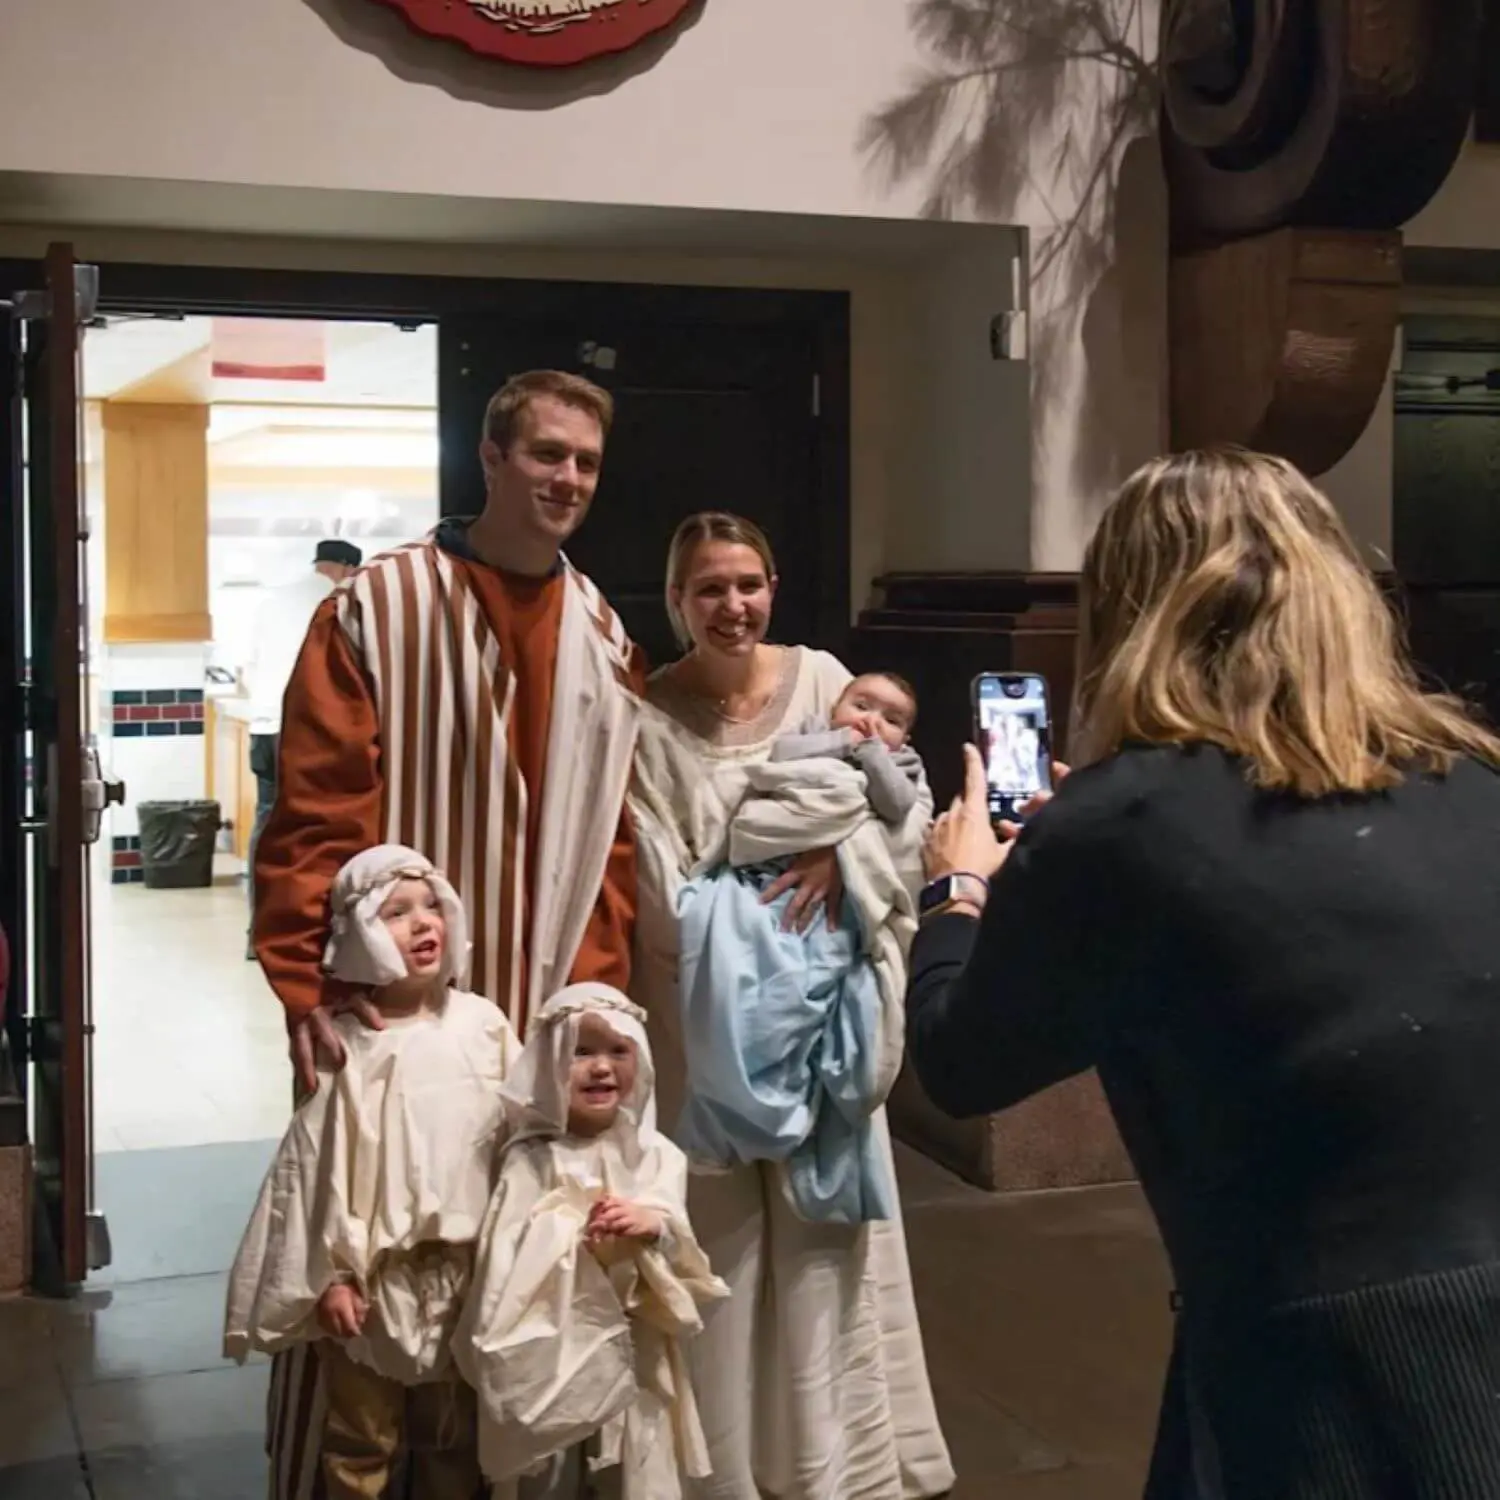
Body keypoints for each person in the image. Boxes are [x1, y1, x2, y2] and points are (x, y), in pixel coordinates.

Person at [907, 447, 1500, 1499]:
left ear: (1131, 609)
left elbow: (963, 1061)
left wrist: (959, 888)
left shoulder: (1121, 820)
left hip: (1327, 1358)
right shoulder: (1473, 780)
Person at [253, 369, 645, 1500]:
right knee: (365, 1284)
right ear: (492, 455)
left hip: (527, 1024)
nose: (567, 478)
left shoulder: (603, 631)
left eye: (585, 462)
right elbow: (316, 818)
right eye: (547, 454)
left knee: (512, 1277)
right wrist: (310, 993)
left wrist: (595, 1018)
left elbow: (609, 851)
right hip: (391, 1028)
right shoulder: (376, 608)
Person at [629, 511, 954, 1500]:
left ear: (772, 587)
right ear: (677, 601)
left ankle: (832, 1466)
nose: (733, 605)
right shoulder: (646, 716)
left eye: (748, 583)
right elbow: (655, 871)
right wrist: (743, 934)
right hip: (711, 1004)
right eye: (709, 588)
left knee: (824, 1236)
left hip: (827, 999)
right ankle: (725, 1471)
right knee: (719, 1229)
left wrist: (835, 856)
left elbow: (906, 804)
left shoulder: (822, 680)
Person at [227, 844, 519, 1499]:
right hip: (375, 1287)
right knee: (362, 1439)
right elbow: (321, 1173)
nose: (423, 923)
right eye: (396, 912)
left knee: (454, 1437)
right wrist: (331, 1275)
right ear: (359, 932)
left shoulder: (486, 1027)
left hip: (466, 1276)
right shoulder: (350, 1047)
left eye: (430, 905)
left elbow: (521, 1147)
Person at [671, 668, 930, 1226]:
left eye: (892, 720)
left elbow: (899, 814)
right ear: (836, 705)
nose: (872, 721)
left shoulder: (902, 766)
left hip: (835, 910)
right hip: (763, 879)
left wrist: (867, 772)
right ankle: (728, 1118)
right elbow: (774, 772)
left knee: (800, 999)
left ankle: (787, 1106)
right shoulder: (813, 735)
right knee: (737, 988)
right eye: (862, 705)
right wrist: (842, 745)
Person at [455, 983, 727, 1499]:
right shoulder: (530, 1159)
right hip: (555, 1349)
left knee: (633, 1465)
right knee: (552, 1468)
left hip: (635, 1346)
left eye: (617, 1051)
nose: (601, 1068)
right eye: (581, 1052)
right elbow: (503, 1261)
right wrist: (568, 1239)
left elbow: (679, 1240)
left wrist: (652, 1223)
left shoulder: (657, 1155)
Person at [243, 538, 362, 956]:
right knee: (320, 828)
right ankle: (316, 934)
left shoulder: (273, 601)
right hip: (310, 728)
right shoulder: (342, 600)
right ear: (347, 568)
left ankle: (259, 932)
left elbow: (250, 668)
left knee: (266, 823)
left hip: (263, 726)